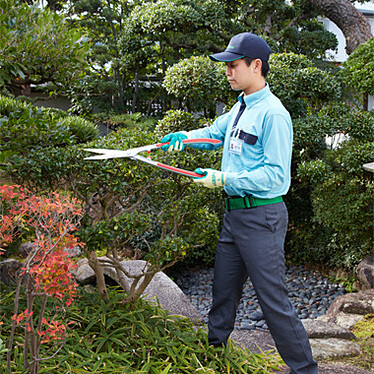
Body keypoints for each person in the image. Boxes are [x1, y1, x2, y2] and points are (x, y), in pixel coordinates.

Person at [161, 32, 318, 374]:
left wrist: (223, 179)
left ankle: (305, 370)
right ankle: (215, 360)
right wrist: (184, 139)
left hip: (262, 217)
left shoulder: (274, 115)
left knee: (273, 302)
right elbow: (214, 133)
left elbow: (277, 177)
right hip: (234, 217)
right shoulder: (240, 107)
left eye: (233, 65)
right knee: (223, 294)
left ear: (256, 65)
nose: (228, 72)